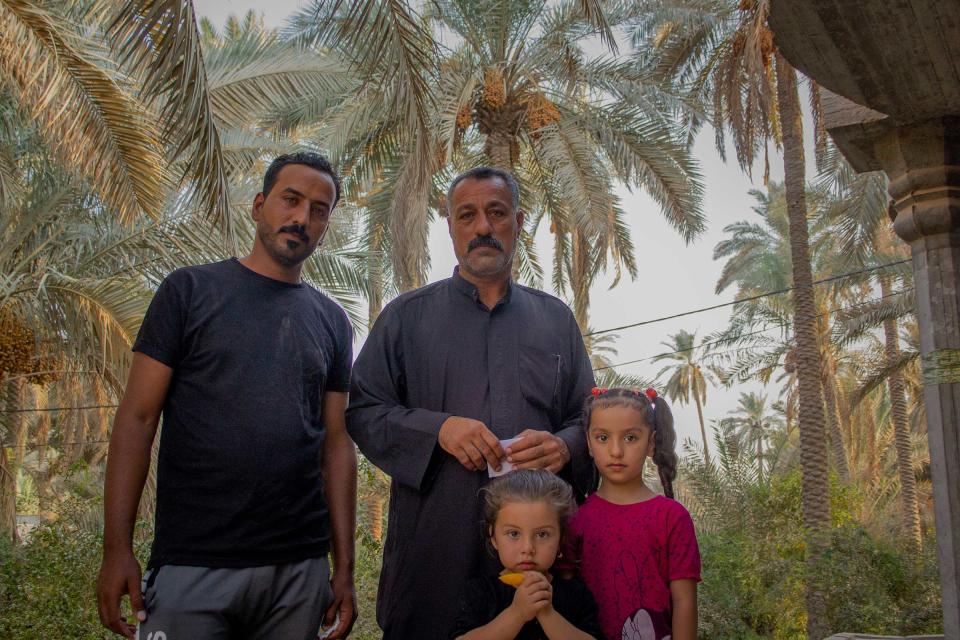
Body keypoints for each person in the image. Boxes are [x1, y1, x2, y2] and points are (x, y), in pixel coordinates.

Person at [96, 152, 358, 640]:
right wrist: (117, 550)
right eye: (291, 200)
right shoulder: (189, 291)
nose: (302, 218)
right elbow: (136, 419)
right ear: (259, 205)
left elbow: (338, 445)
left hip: (298, 572)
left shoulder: (332, 322)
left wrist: (343, 568)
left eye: (319, 210)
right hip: (194, 564)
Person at [347, 166, 596, 638]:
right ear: (450, 226)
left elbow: (588, 420)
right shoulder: (405, 318)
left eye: (496, 213)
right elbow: (363, 410)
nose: (483, 227)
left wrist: (564, 446)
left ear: (519, 222)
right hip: (432, 556)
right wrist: (438, 430)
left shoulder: (555, 319)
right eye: (467, 215)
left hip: (542, 577)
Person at [566, 387, 701, 640]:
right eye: (603, 438)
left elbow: (685, 602)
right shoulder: (576, 520)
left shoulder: (672, 517)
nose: (616, 451)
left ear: (651, 443)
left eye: (630, 438)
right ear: (589, 443)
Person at [449, 469, 604, 639]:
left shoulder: (576, 595)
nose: (528, 548)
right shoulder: (480, 592)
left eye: (542, 534)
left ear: (560, 540)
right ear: (493, 537)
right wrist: (517, 613)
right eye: (514, 534)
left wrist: (547, 615)